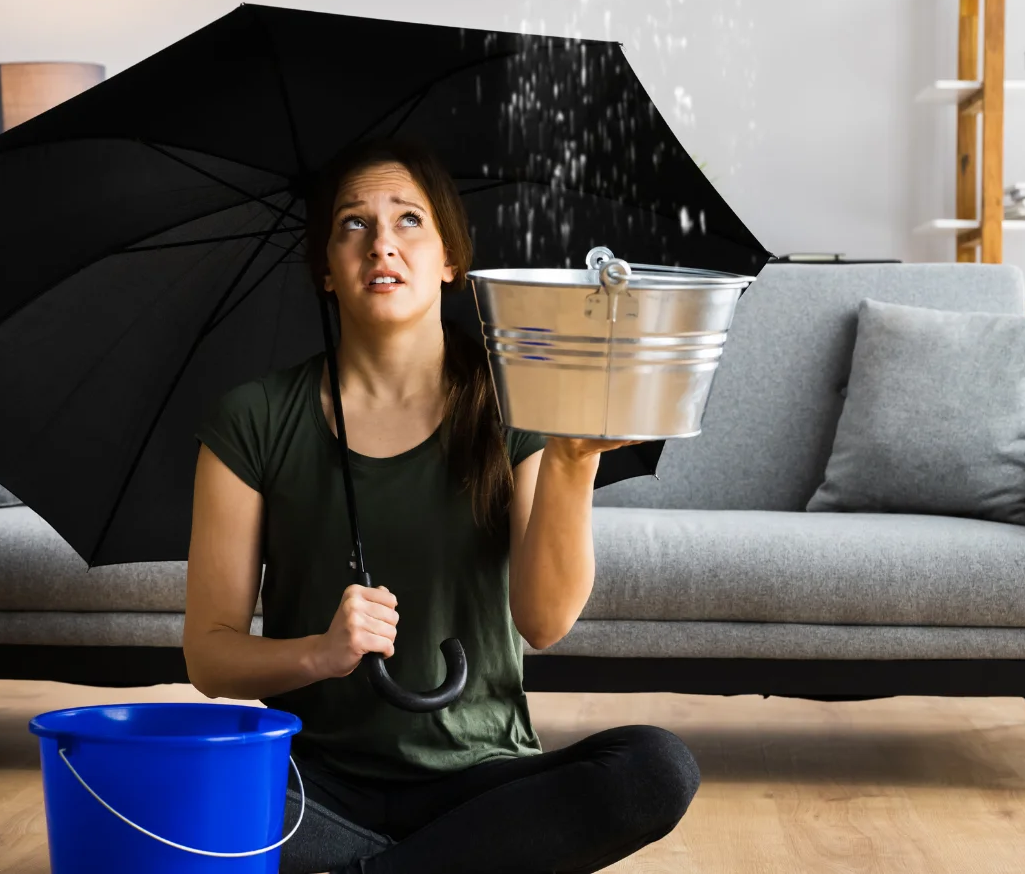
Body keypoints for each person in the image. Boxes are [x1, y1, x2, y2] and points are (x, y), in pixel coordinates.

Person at [183, 137, 699, 874]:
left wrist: (573, 459)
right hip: (311, 783)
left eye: (408, 220)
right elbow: (210, 653)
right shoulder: (252, 417)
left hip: (479, 779)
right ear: (325, 270)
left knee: (656, 766)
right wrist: (321, 653)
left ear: (451, 259)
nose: (380, 243)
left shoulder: (516, 397)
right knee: (159, 781)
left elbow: (544, 622)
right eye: (351, 224)